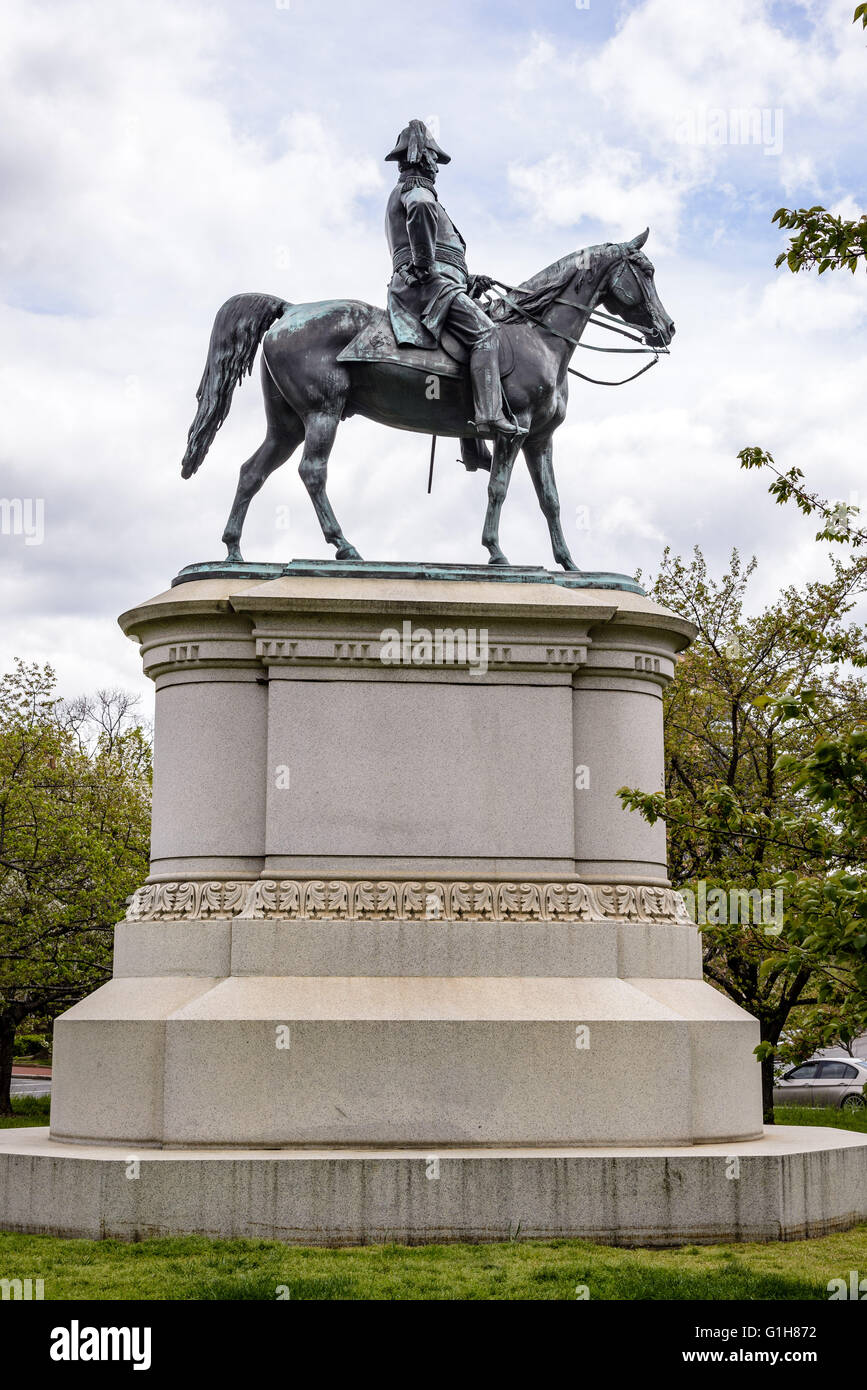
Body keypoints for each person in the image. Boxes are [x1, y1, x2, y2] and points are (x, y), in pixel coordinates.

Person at [384, 119, 517, 440]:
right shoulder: (414, 191)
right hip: (426, 287)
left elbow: (442, 253)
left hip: (439, 285)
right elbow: (420, 209)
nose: (437, 167)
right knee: (486, 334)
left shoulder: (413, 191)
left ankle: (471, 444)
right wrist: (425, 264)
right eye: (433, 158)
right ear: (420, 156)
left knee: (474, 335)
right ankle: (489, 416)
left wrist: (470, 282)